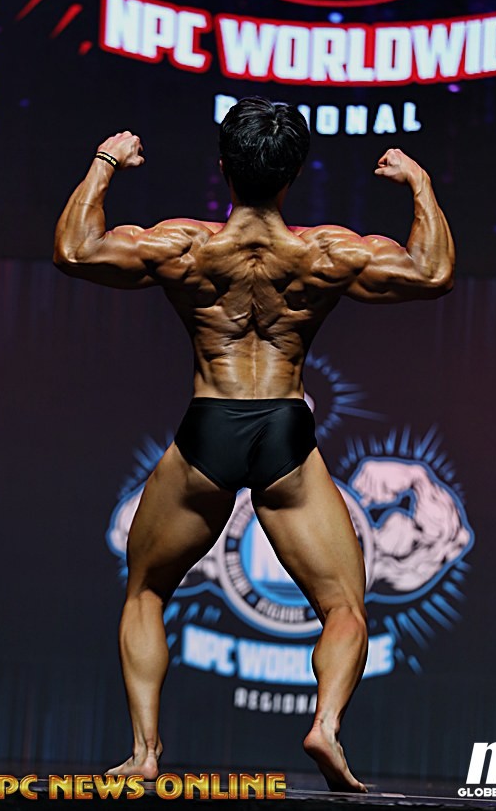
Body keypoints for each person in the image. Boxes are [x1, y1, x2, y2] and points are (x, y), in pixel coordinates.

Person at [53, 97, 455, 793]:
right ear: (295, 173)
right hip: (283, 431)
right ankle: (325, 724)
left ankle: (145, 752)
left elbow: (74, 250)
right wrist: (419, 184)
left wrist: (105, 163)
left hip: (210, 425)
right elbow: (432, 272)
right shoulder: (325, 252)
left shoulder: (186, 246)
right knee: (344, 608)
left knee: (147, 591)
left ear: (223, 168)